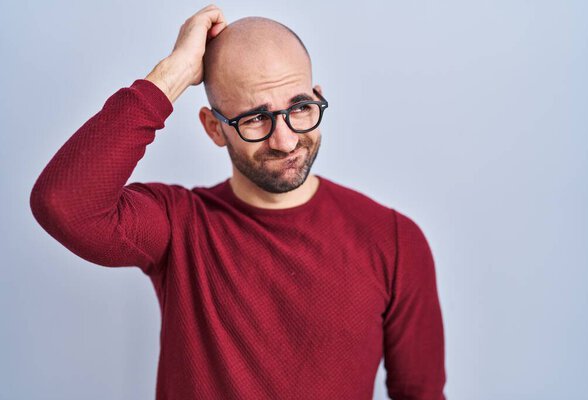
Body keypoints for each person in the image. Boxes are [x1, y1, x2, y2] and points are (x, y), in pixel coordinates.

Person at [29, 4, 447, 399]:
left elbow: (420, 395)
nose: (284, 141)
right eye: (254, 118)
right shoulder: (179, 226)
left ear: (318, 97)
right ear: (214, 128)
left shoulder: (393, 240)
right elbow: (63, 204)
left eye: (299, 107)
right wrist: (172, 73)